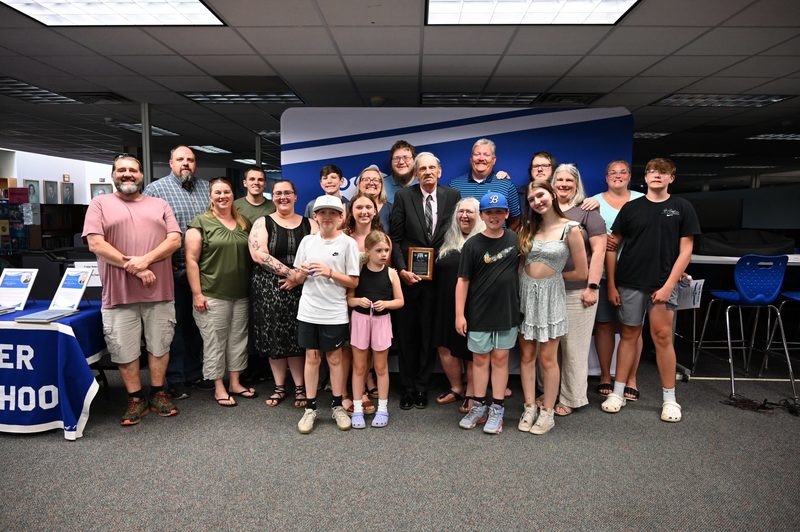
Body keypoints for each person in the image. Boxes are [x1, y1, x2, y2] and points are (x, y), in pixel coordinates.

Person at [82, 154, 181, 426]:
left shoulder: (160, 204)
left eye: (133, 170)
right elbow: (96, 244)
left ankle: (159, 393)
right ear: (113, 175)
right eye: (122, 170)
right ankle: (135, 398)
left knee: (160, 345)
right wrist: (135, 267)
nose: (128, 174)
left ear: (141, 175)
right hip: (119, 295)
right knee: (124, 350)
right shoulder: (99, 204)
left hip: (159, 292)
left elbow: (174, 240)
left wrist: (146, 260)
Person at [601, 158, 700, 423]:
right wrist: (611, 284)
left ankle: (670, 399)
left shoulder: (682, 207)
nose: (657, 176)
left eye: (663, 173)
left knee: (662, 337)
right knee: (629, 335)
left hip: (663, 284)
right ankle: (618, 392)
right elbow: (612, 245)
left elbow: (686, 250)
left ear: (671, 178)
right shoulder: (631, 208)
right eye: (652, 172)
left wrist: (669, 285)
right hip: (630, 282)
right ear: (644, 178)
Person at [390, 152, 461, 410]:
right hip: (410, 280)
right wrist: (400, 270)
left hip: (440, 281)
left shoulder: (452, 196)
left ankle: (422, 387)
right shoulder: (403, 197)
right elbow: (395, 239)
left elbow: (456, 235)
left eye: (432, 168)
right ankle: (408, 388)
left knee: (429, 335)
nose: (428, 172)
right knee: (408, 334)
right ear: (416, 173)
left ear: (439, 171)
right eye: (423, 169)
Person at [517, 181, 587, 435]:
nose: (537, 201)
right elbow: (521, 265)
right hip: (526, 296)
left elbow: (582, 271)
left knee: (548, 358)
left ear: (553, 194)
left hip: (552, 298)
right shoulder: (527, 230)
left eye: (541, 195)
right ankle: (529, 407)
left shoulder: (571, 229)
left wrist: (551, 279)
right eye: (532, 198)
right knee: (526, 356)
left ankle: (547, 411)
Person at [144, 145, 210, 399]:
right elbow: (150, 230)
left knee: (198, 324)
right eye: (180, 159)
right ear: (170, 163)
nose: (186, 164)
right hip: (172, 269)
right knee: (176, 325)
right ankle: (175, 378)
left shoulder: (206, 188)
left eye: (190, 160)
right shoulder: (156, 190)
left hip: (203, 270)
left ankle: (195, 373)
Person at [185, 178, 254, 407]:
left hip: (241, 293)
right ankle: (218, 386)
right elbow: (191, 260)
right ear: (210, 196)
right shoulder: (200, 223)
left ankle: (235, 382)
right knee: (215, 341)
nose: (222, 196)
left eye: (227, 191)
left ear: (233, 194)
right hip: (212, 293)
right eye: (217, 192)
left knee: (238, 340)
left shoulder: (243, 221)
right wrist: (197, 293)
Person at [455, 192, 521, 434]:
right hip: (479, 313)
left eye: (499, 212)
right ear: (481, 216)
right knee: (481, 359)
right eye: (489, 212)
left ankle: (498, 408)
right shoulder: (472, 245)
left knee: (501, 360)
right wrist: (459, 314)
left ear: (506, 214)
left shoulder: (515, 239)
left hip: (507, 312)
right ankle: (479, 404)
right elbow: (463, 281)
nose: (494, 216)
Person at [294, 195, 360, 434]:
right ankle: (310, 409)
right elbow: (297, 277)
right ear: (315, 217)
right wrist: (300, 273)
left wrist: (330, 272)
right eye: (323, 213)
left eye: (333, 213)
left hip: (334, 312)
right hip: (309, 310)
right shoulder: (307, 242)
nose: (327, 217)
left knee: (334, 359)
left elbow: (353, 280)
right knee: (311, 358)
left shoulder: (348, 244)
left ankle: (337, 405)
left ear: (341, 216)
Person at [249, 180, 318, 408]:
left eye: (288, 193)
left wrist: (299, 277)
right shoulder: (263, 222)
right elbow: (259, 254)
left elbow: (320, 253)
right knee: (275, 338)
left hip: (304, 287)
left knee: (298, 338)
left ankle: (299, 387)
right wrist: (291, 273)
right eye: (278, 193)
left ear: (296, 196)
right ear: (273, 197)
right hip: (270, 288)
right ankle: (279, 386)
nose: (283, 197)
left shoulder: (311, 224)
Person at [551, 164, 607, 416]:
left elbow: (599, 252)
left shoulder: (588, 213)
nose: (563, 184)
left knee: (574, 347)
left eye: (568, 180)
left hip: (578, 290)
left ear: (576, 184)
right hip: (548, 290)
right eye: (559, 179)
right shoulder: (545, 210)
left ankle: (571, 398)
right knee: (551, 345)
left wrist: (592, 286)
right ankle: (550, 392)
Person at [592, 160, 645, 400]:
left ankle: (631, 377)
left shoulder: (643, 201)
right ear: (606, 177)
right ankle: (605, 375)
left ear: (630, 176)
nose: (618, 176)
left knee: (632, 329)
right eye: (612, 172)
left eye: (623, 172)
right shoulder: (594, 202)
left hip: (635, 273)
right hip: (602, 274)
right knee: (604, 325)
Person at [433, 197, 485, 413]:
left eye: (470, 212)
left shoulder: (484, 240)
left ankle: (473, 392)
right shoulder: (446, 239)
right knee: (444, 347)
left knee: (471, 351)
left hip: (473, 306)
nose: (464, 215)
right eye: (461, 211)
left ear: (479, 215)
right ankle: (456, 388)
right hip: (444, 303)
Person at [347, 230, 404, 428]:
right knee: (359, 367)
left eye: (387, 250)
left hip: (381, 321)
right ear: (368, 250)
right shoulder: (358, 270)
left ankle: (382, 408)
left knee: (381, 367)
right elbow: (349, 299)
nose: (384, 254)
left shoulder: (391, 273)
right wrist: (357, 301)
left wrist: (386, 304)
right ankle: (357, 409)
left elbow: (400, 301)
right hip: (360, 320)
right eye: (379, 250)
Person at [341, 192, 383, 414]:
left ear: (375, 211)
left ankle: (363, 391)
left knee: (364, 349)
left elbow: (384, 271)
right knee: (345, 349)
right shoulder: (343, 236)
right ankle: (345, 395)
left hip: (368, 301)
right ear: (351, 211)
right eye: (359, 207)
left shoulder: (381, 238)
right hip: (341, 298)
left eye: (369, 207)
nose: (364, 211)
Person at [448, 138, 521, 230]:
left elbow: (515, 220)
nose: (481, 158)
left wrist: (504, 240)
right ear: (471, 159)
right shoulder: (455, 185)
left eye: (486, 155)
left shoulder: (506, 186)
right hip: (463, 242)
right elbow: (449, 220)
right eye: (477, 154)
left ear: (494, 160)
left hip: (496, 243)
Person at [520, 151, 557, 224]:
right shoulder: (520, 194)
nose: (540, 169)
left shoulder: (561, 192)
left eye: (545, 165)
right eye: (536, 166)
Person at [356, 165, 393, 232]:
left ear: (381, 185)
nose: (371, 183)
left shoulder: (391, 209)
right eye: (366, 179)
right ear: (359, 184)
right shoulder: (347, 208)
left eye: (376, 180)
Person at [382, 140, 417, 204]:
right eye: (396, 158)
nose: (401, 162)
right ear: (391, 162)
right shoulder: (381, 186)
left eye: (406, 157)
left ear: (414, 160)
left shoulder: (423, 183)